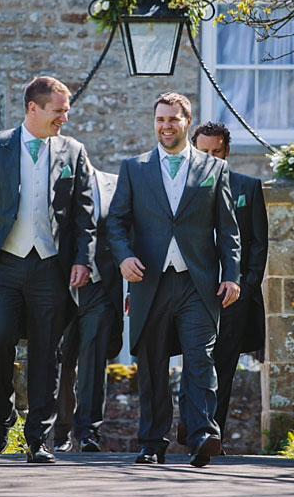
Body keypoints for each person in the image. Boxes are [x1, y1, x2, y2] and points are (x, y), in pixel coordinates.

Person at [0, 75, 95, 464]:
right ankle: (4, 415)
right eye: (59, 110)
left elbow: (84, 215)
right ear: (34, 108)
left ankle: (38, 440)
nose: (64, 117)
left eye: (66, 110)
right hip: (2, 264)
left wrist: (82, 259)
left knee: (47, 353)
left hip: (51, 267)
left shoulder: (73, 151)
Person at [106, 92, 240, 468]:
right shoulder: (134, 168)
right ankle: (152, 442)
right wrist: (124, 256)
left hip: (198, 283)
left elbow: (228, 231)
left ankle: (202, 436)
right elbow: (116, 222)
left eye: (173, 119)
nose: (166, 126)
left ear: (186, 121)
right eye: (160, 119)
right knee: (151, 366)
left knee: (200, 359)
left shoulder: (213, 169)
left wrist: (232, 276)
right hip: (150, 280)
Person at [178, 122, 268, 452]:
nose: (211, 157)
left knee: (225, 367)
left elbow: (258, 243)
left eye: (217, 151)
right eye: (204, 152)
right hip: (192, 292)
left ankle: (211, 434)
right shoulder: (181, 189)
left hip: (233, 295)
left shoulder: (248, 187)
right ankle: (191, 422)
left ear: (227, 151)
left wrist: (246, 286)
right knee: (194, 361)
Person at [54, 159, 124, 454]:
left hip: (101, 288)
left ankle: (88, 432)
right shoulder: (53, 185)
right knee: (61, 362)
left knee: (93, 360)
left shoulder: (116, 185)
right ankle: (58, 432)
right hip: (60, 288)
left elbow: (127, 234)